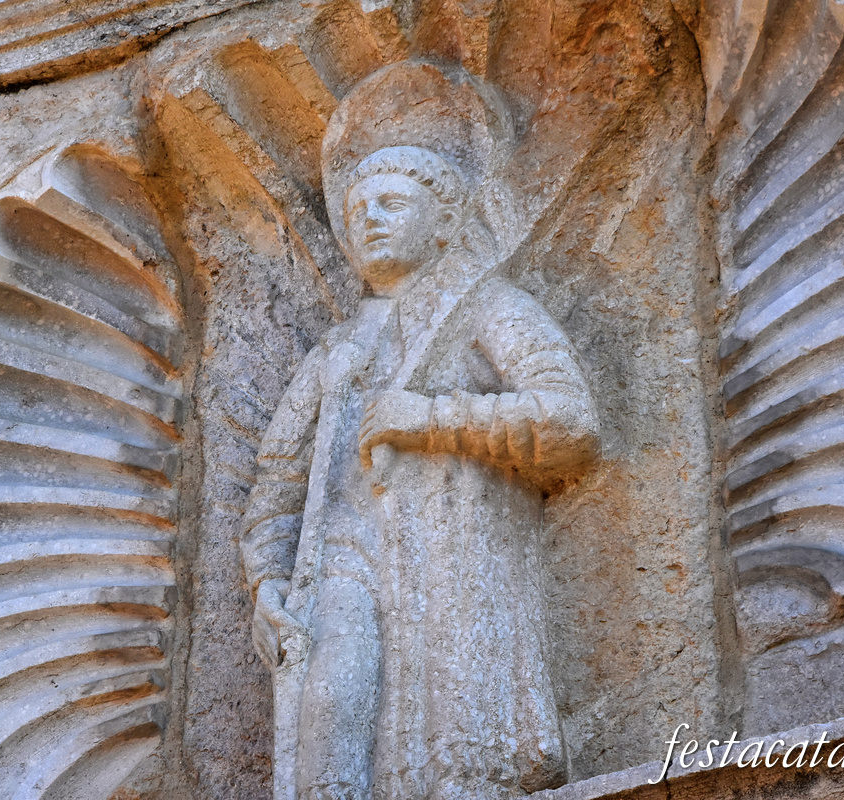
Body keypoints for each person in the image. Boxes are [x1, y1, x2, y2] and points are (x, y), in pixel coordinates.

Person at [242, 140, 599, 800]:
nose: (370, 220)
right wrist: (268, 580)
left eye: (391, 203)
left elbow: (571, 421)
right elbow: (279, 478)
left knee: (453, 758)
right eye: (356, 211)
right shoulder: (336, 350)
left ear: (444, 223)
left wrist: (431, 419)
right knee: (331, 714)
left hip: (450, 563)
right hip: (343, 560)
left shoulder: (489, 307)